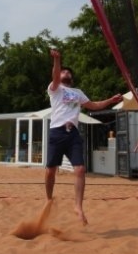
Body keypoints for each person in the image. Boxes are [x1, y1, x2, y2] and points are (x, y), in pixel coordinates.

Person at [45, 49, 123, 226]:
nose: (65, 72)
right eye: (63, 71)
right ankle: (48, 198)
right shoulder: (55, 88)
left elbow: (94, 105)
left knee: (80, 170)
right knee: (50, 171)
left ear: (71, 78)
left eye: (67, 72)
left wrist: (110, 101)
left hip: (72, 133)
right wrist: (57, 60)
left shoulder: (78, 92)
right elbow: (55, 75)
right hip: (56, 132)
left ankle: (78, 207)